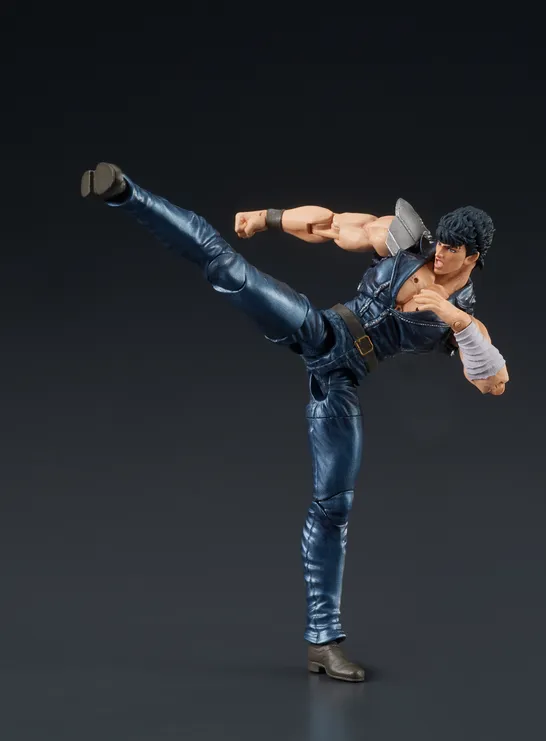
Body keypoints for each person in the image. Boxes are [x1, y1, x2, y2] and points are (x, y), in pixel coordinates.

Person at [81, 162, 509, 683]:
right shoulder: (402, 243)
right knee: (227, 269)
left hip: (342, 380)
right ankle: (126, 192)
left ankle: (322, 644)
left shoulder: (464, 316)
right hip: (321, 331)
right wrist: (267, 217)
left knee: (334, 508)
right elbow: (329, 224)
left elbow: (493, 381)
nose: (440, 253)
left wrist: (454, 318)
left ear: (474, 257)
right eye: (440, 241)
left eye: (453, 249)